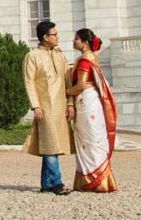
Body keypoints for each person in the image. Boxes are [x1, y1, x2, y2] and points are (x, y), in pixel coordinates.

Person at [22, 20, 75, 195]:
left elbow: (67, 81)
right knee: (52, 144)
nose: (57, 37)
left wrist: (70, 103)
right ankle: (57, 183)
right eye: (55, 34)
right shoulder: (33, 56)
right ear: (45, 37)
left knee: (52, 144)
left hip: (60, 106)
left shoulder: (60, 56)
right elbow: (29, 82)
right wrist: (35, 106)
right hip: (44, 107)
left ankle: (46, 184)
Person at [68, 28, 118, 193]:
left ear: (84, 43)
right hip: (92, 100)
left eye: (76, 39)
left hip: (86, 101)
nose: (74, 41)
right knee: (94, 139)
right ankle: (101, 179)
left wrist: (65, 92)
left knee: (87, 140)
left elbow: (81, 85)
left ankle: (92, 180)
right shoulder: (92, 58)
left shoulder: (84, 61)